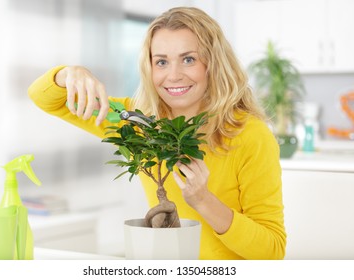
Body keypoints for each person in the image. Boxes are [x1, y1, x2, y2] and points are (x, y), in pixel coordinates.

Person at [28, 7, 286, 260]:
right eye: (161, 62)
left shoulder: (249, 135)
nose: (173, 76)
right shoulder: (137, 120)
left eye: (189, 59)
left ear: (214, 64)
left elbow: (271, 250)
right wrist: (70, 74)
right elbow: (43, 98)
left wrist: (203, 200)